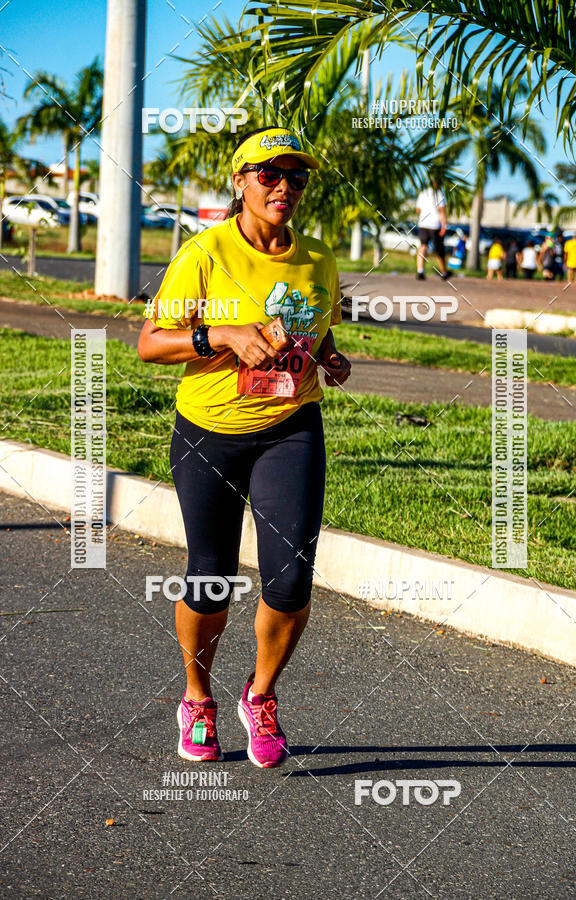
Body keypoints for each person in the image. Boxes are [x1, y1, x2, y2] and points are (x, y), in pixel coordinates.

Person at [137, 126, 351, 769]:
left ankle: (259, 696)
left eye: (296, 176)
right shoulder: (204, 253)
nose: (284, 185)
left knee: (290, 579)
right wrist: (222, 335)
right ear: (240, 183)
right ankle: (197, 697)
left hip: (291, 426)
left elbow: (318, 335)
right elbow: (151, 341)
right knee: (211, 579)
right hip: (209, 431)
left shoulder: (317, 258)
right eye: (268, 174)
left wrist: (330, 358)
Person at [415, 176, 449, 280]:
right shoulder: (438, 194)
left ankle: (420, 271)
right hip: (435, 225)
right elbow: (442, 211)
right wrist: (444, 226)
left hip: (423, 224)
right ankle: (443, 272)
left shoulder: (423, 193)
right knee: (439, 248)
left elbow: (418, 210)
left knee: (423, 246)